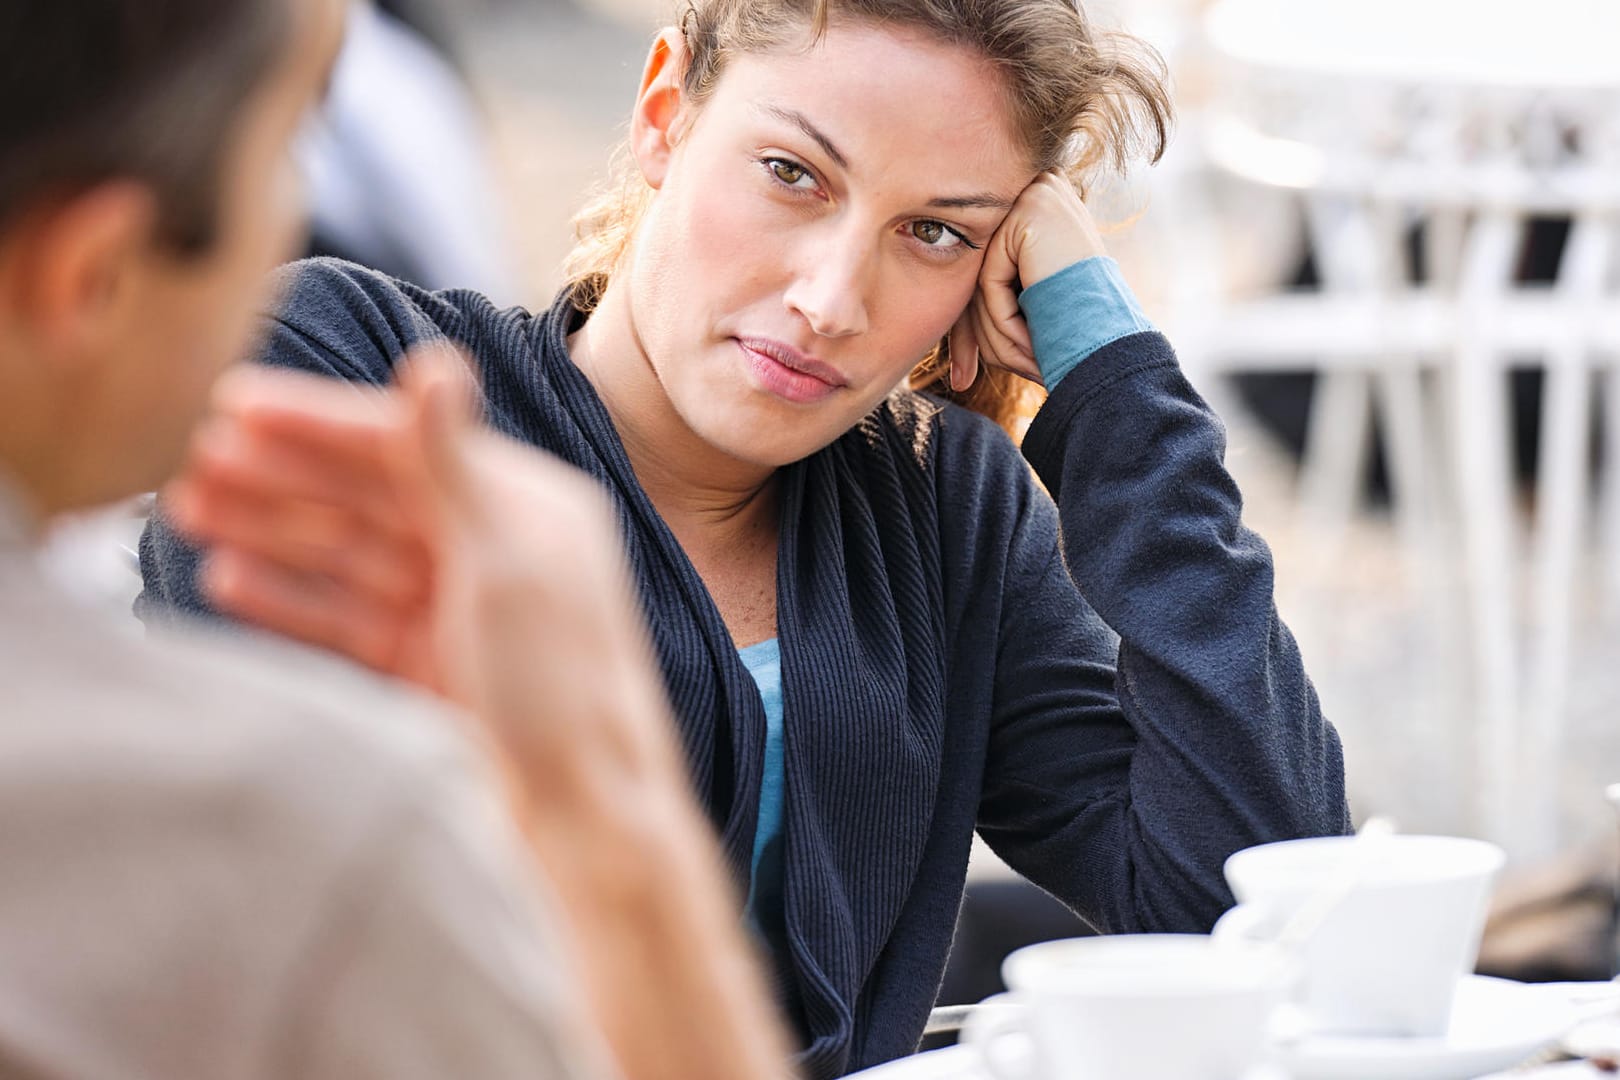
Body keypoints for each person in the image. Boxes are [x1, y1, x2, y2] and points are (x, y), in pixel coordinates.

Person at [140, 0, 1354, 1075]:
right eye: (792, 172)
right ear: (665, 112)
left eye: (933, 231)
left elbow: (1259, 903)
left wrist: (1114, 395)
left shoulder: (945, 508)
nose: (831, 300)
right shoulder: (355, 372)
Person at [0, 1, 790, 1077]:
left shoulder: (954, 511)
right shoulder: (337, 829)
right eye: (288, 149)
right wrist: (602, 799)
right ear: (92, 270)